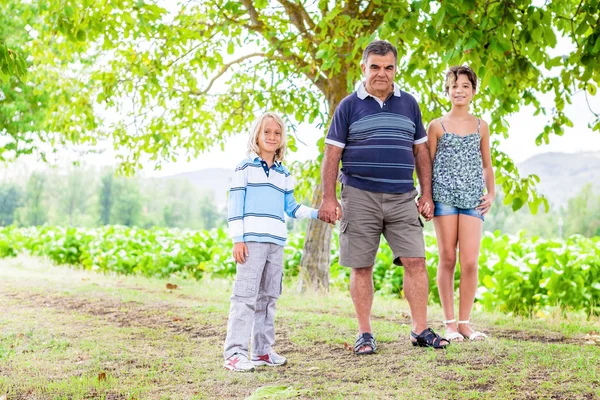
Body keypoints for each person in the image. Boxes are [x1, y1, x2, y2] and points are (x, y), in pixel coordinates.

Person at [318, 40, 449, 354]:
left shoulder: (409, 104)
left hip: (403, 196)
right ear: (364, 68)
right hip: (359, 195)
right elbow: (332, 154)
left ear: (395, 69)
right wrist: (328, 197)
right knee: (361, 266)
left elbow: (420, 152)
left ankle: (420, 329)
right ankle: (365, 333)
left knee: (416, 260)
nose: (381, 73)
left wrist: (426, 194)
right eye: (375, 67)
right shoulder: (348, 105)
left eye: (388, 67)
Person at [223, 111, 319, 371]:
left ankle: (262, 351)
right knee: (245, 296)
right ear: (257, 135)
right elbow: (235, 206)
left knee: (268, 297)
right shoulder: (244, 167)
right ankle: (235, 353)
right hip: (251, 242)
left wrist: (317, 213)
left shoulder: (284, 173)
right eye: (267, 132)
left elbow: (291, 207)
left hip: (276, 242)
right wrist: (237, 240)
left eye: (277, 133)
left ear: (282, 138)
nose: (272, 137)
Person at [427, 65, 495, 342]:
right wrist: (427, 197)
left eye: (465, 86)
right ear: (448, 90)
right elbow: (427, 166)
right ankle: (450, 324)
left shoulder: (481, 126)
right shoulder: (436, 125)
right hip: (443, 199)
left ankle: (465, 323)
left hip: (472, 200)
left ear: (473, 91)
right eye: (454, 85)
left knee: (469, 261)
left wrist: (491, 194)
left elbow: (487, 166)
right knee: (447, 257)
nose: (459, 90)